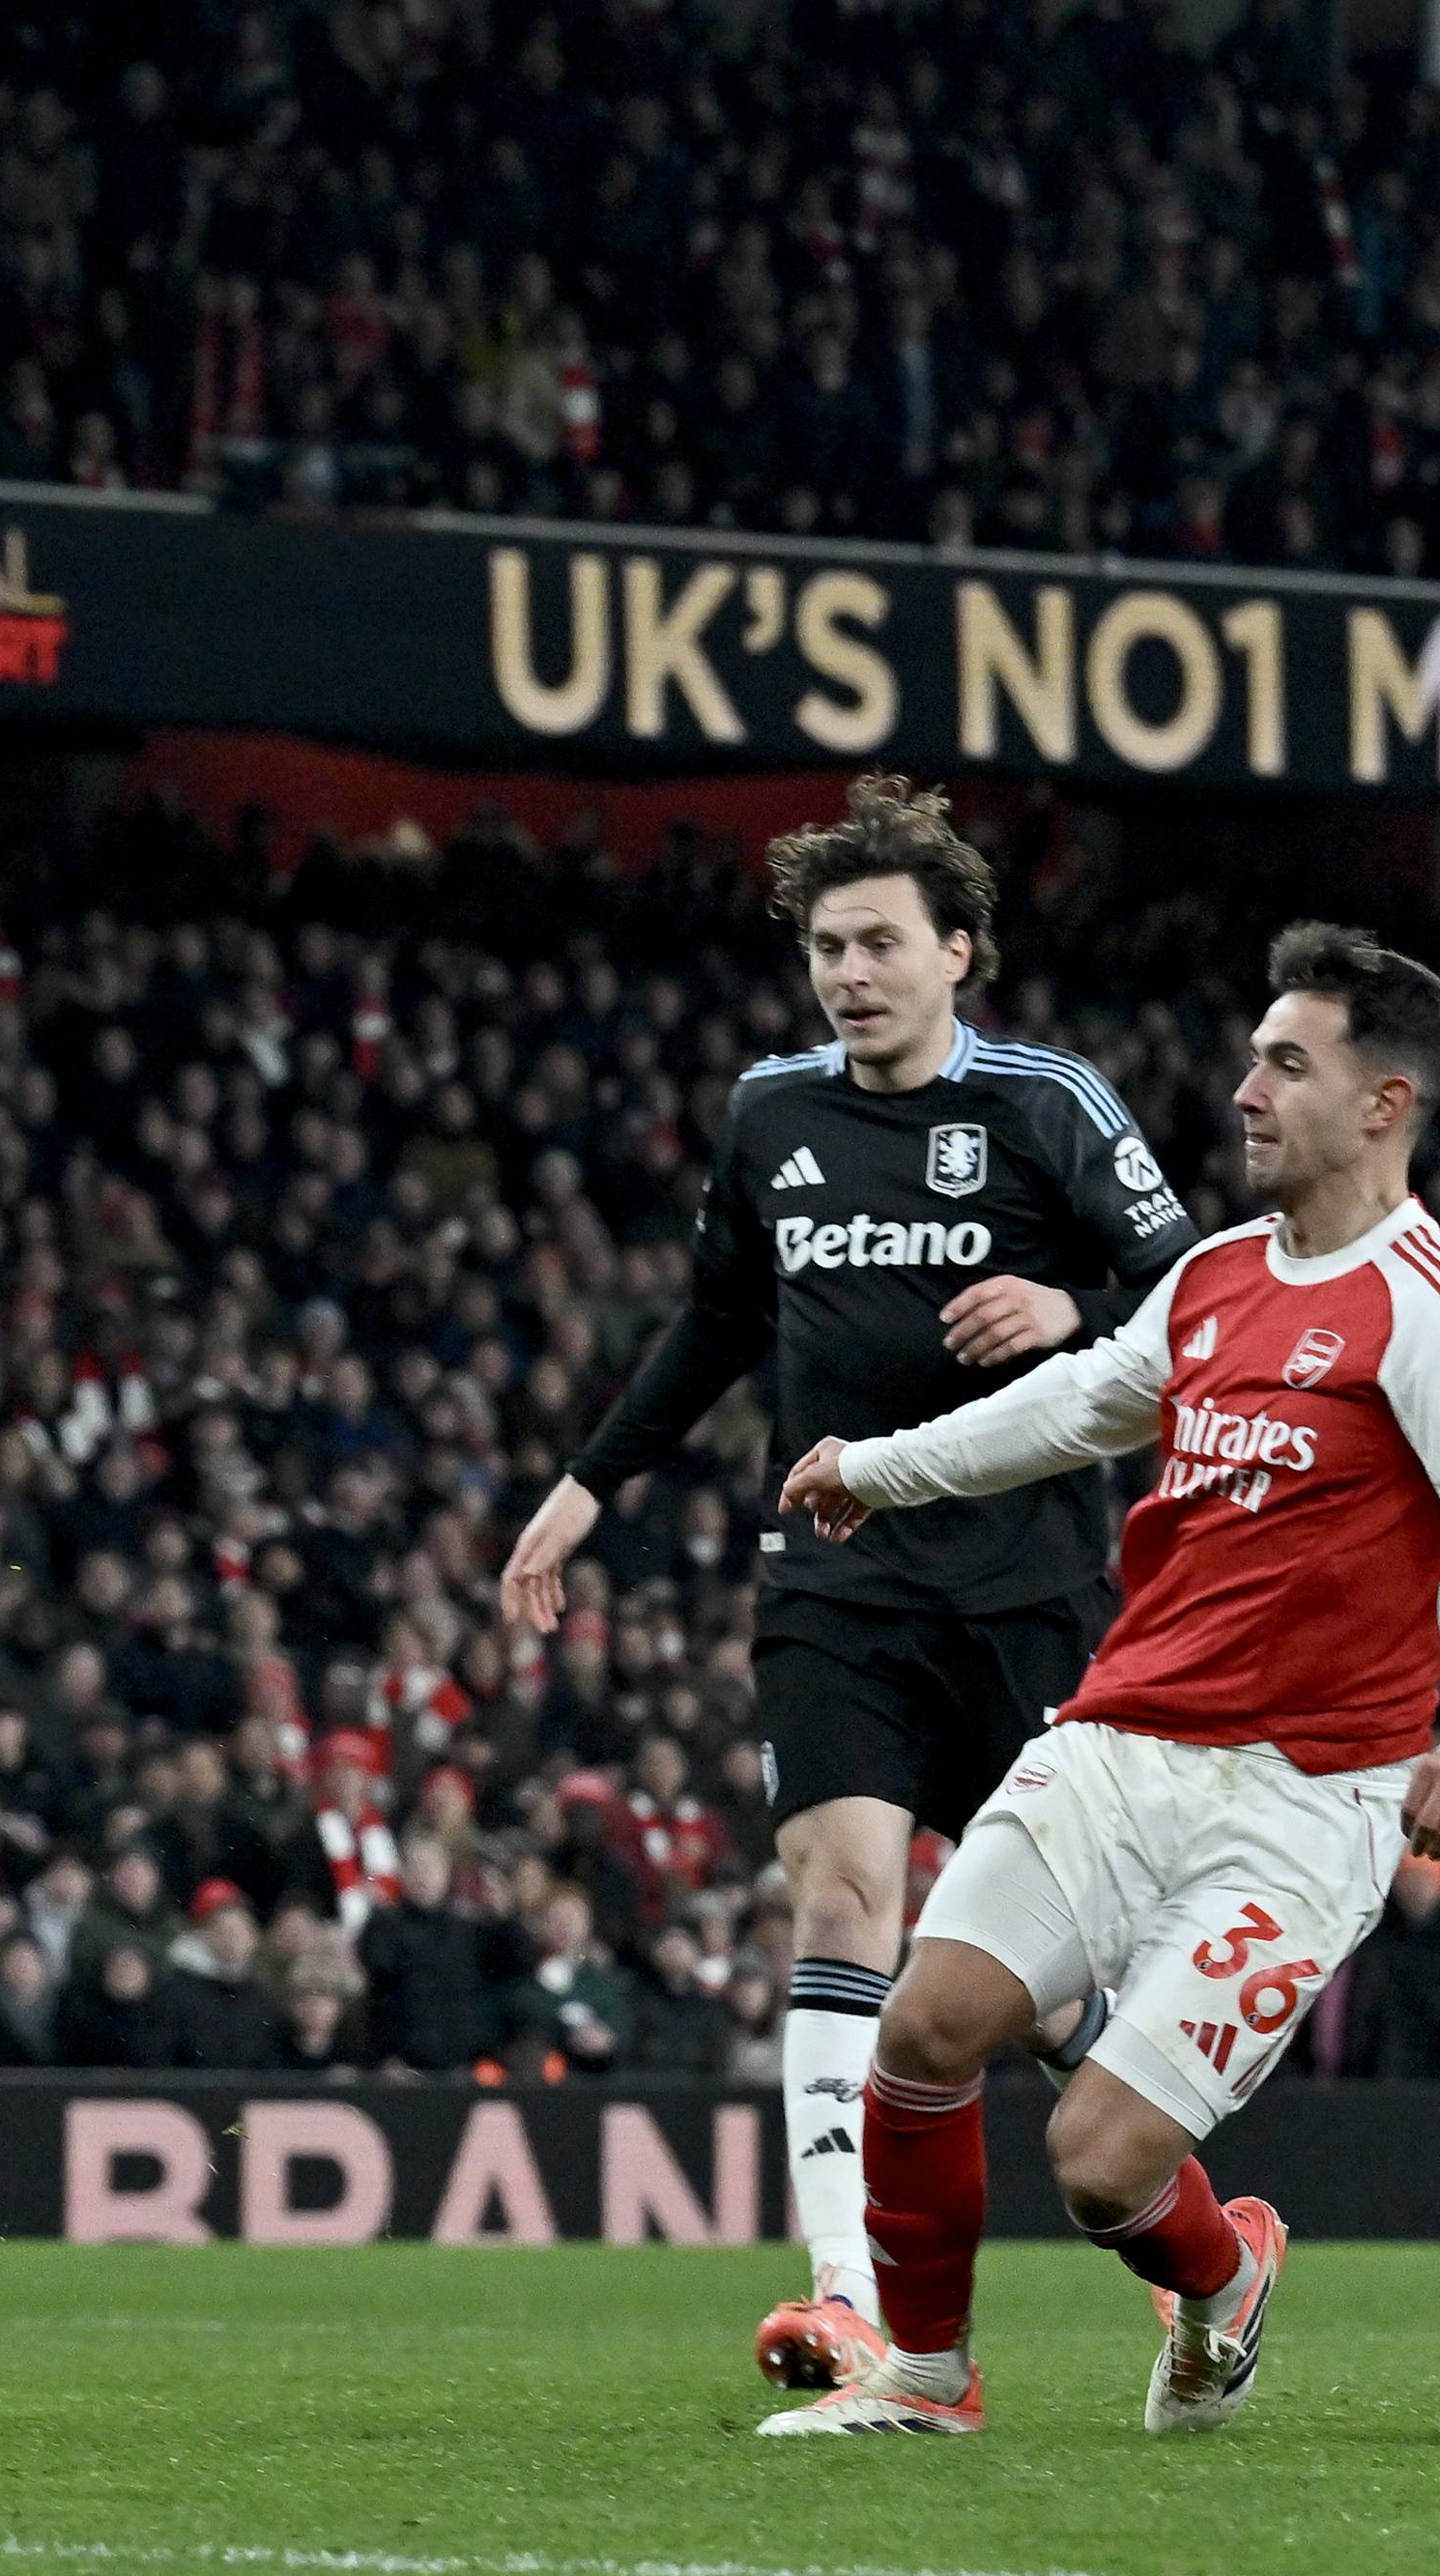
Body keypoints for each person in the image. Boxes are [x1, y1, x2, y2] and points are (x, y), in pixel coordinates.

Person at [763, 924, 1440, 2437]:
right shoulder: (1216, 1275)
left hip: (1303, 1804)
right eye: (1254, 1059)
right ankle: (929, 2378)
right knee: (924, 2028)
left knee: (1098, 2162)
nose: (1246, 1091)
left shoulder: (1438, 1314)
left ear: (1386, 1102)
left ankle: (1226, 2274)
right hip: (1120, 1743)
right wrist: (879, 1467)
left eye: (1288, 1064)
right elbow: (1078, 1406)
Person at [494, 778, 1192, 2392]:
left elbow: (1195, 1292)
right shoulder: (770, 1115)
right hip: (836, 1572)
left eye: (881, 942)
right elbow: (717, 1319)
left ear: (958, 952)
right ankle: (846, 2291)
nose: (850, 973)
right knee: (839, 1896)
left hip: (1024, 1583)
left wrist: (1073, 1312)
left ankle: (1181, 2235)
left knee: (1034, 1981)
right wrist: (588, 1482)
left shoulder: (1049, 1103)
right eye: (827, 946)